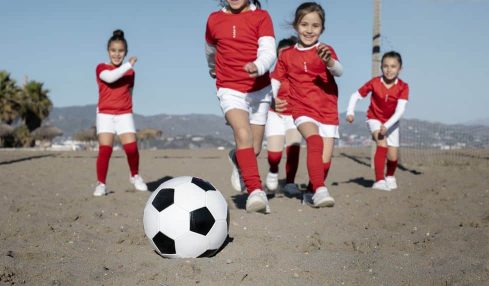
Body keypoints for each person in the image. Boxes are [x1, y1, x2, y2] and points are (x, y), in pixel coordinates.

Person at [205, 0, 276, 213]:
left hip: (259, 89)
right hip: (229, 88)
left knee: (253, 149)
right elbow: (210, 51)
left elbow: (269, 51)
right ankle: (255, 191)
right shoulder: (214, 20)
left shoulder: (262, 17)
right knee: (242, 134)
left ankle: (237, 157)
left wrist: (258, 65)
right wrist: (212, 68)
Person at [271, 2, 343, 208]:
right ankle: (320, 189)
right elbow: (276, 79)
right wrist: (275, 97)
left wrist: (329, 62)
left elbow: (339, 71)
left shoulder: (325, 50)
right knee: (314, 139)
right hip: (302, 109)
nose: (309, 30)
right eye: (304, 24)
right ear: (296, 26)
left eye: (315, 26)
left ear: (322, 29)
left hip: (328, 111)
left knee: (325, 160)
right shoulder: (287, 55)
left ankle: (312, 191)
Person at [93, 29, 148, 197]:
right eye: (113, 50)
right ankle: (101, 184)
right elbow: (110, 78)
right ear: (108, 51)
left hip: (124, 113)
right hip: (105, 114)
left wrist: (128, 108)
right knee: (105, 150)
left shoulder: (130, 72)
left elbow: (129, 92)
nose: (117, 54)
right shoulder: (101, 68)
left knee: (131, 148)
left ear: (125, 52)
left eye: (121, 51)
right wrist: (128, 64)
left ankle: (135, 175)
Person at [346, 51, 409, 191]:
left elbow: (400, 111)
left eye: (393, 66)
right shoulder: (374, 83)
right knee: (381, 143)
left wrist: (387, 125)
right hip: (374, 118)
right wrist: (350, 112)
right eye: (385, 66)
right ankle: (379, 180)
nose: (389, 70)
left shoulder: (403, 87)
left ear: (400, 69)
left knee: (392, 155)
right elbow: (355, 95)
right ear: (381, 67)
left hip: (392, 122)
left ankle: (390, 176)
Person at [265, 36, 302, 196]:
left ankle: (290, 182)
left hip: (294, 116)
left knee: (293, 149)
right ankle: (273, 171)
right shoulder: (270, 76)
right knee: (274, 156)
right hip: (275, 116)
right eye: (282, 54)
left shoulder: (301, 75)